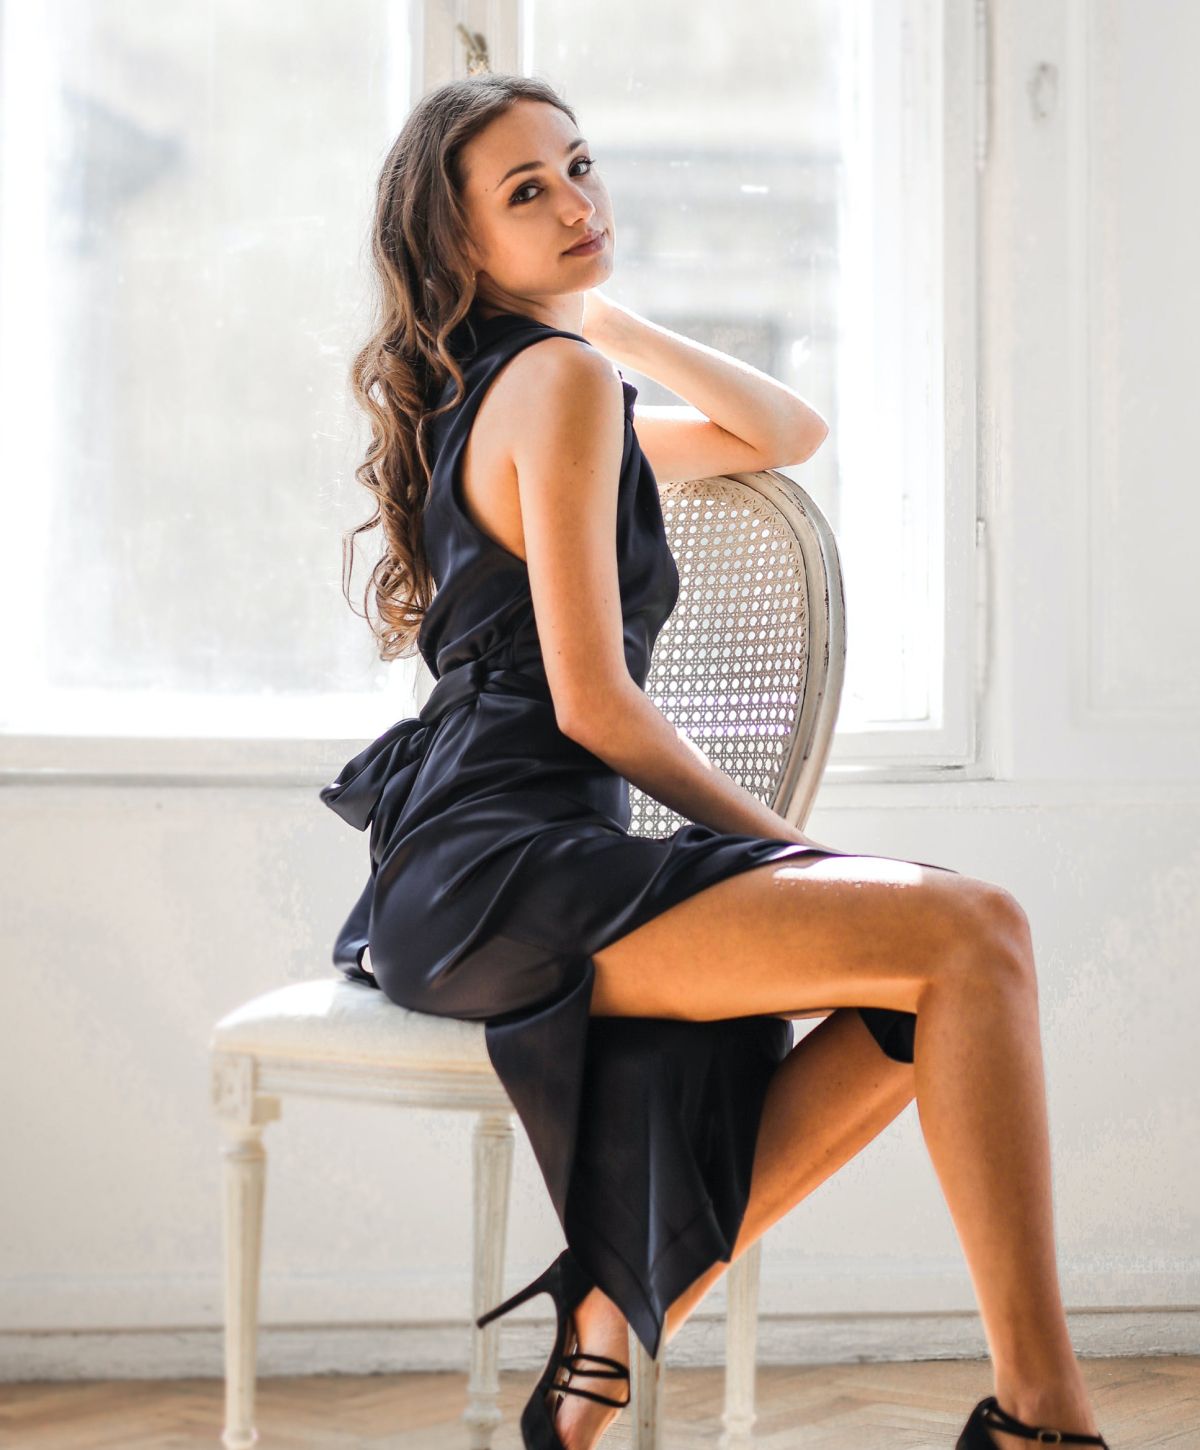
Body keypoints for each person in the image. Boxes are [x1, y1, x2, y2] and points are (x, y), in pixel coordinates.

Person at [318, 71, 1111, 1450]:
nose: (577, 201)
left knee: (946, 975)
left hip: (468, 870)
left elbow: (782, 437)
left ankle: (610, 1314)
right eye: (527, 194)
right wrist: (791, 846)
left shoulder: (541, 378)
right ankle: (1044, 1423)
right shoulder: (554, 385)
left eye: (580, 168)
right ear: (458, 250)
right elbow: (597, 708)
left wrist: (596, 305)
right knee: (973, 929)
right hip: (505, 862)